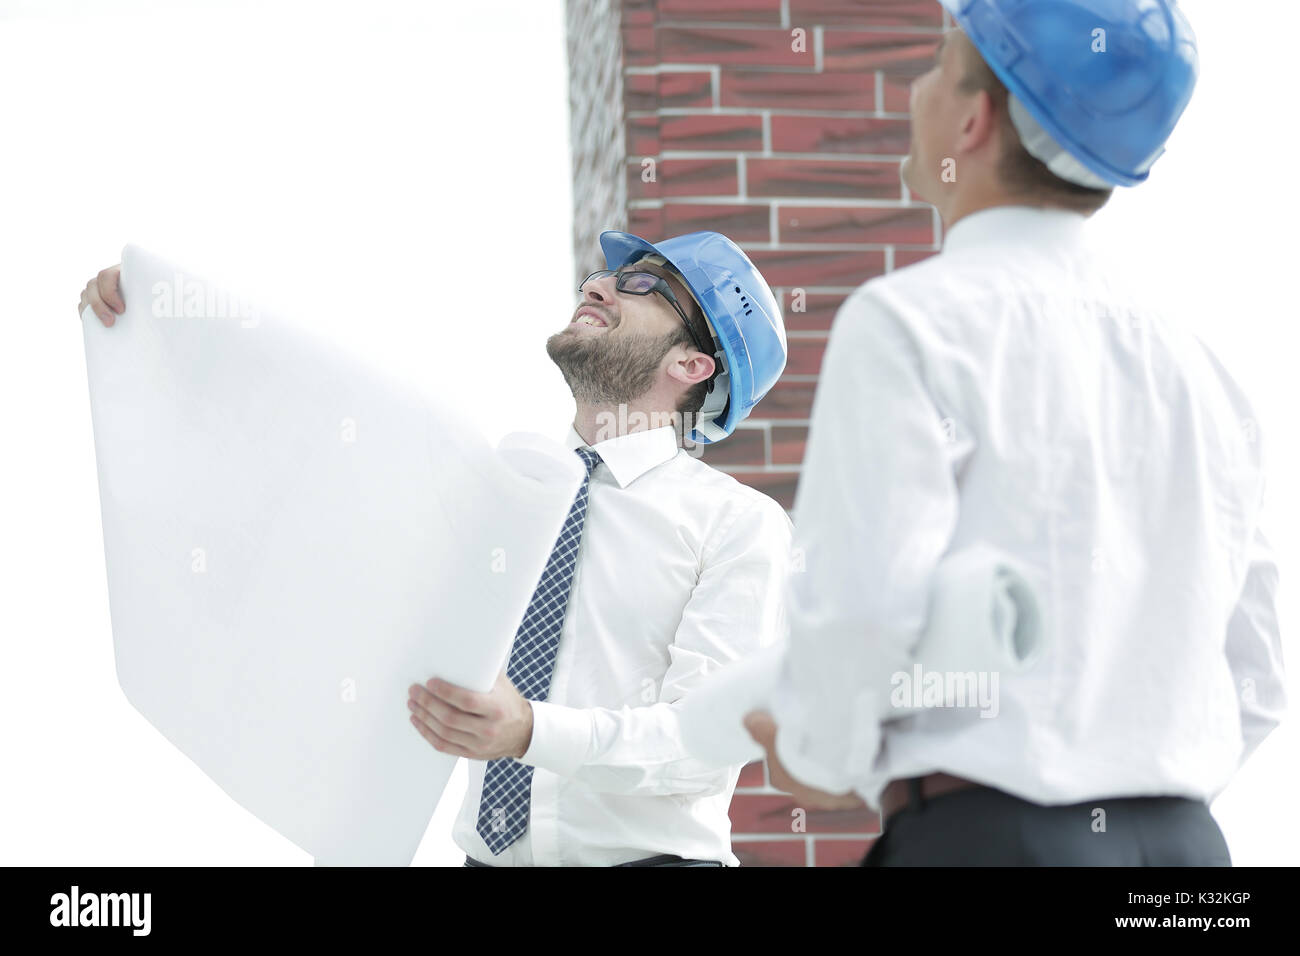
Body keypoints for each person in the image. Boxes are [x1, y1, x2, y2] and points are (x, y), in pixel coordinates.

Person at [743, 0, 1285, 865]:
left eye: (935, 63)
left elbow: (862, 609)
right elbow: (1258, 675)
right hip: (1191, 860)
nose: (915, 90)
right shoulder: (1201, 363)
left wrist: (819, 755)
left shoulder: (909, 323)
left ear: (973, 117)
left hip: (992, 842)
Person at [80, 229, 794, 867]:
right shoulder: (496, 498)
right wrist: (157, 329)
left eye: (644, 283)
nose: (598, 284)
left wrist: (530, 733)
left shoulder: (736, 526)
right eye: (607, 273)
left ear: (695, 366)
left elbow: (701, 743)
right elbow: (300, 486)